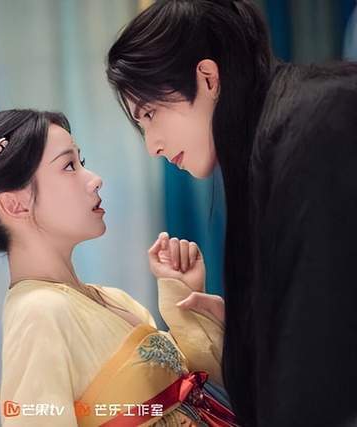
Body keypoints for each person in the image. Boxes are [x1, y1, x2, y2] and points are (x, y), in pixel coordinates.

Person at [0, 77, 237, 426]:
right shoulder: (38, 312)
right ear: (15, 205)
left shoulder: (111, 299)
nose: (94, 179)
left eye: (81, 161)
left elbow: (207, 391)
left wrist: (183, 299)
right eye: (69, 166)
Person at [106, 1, 357, 425]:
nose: (152, 146)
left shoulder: (313, 128)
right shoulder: (276, 131)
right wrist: (254, 322)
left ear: (207, 78)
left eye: (150, 114)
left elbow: (319, 366)